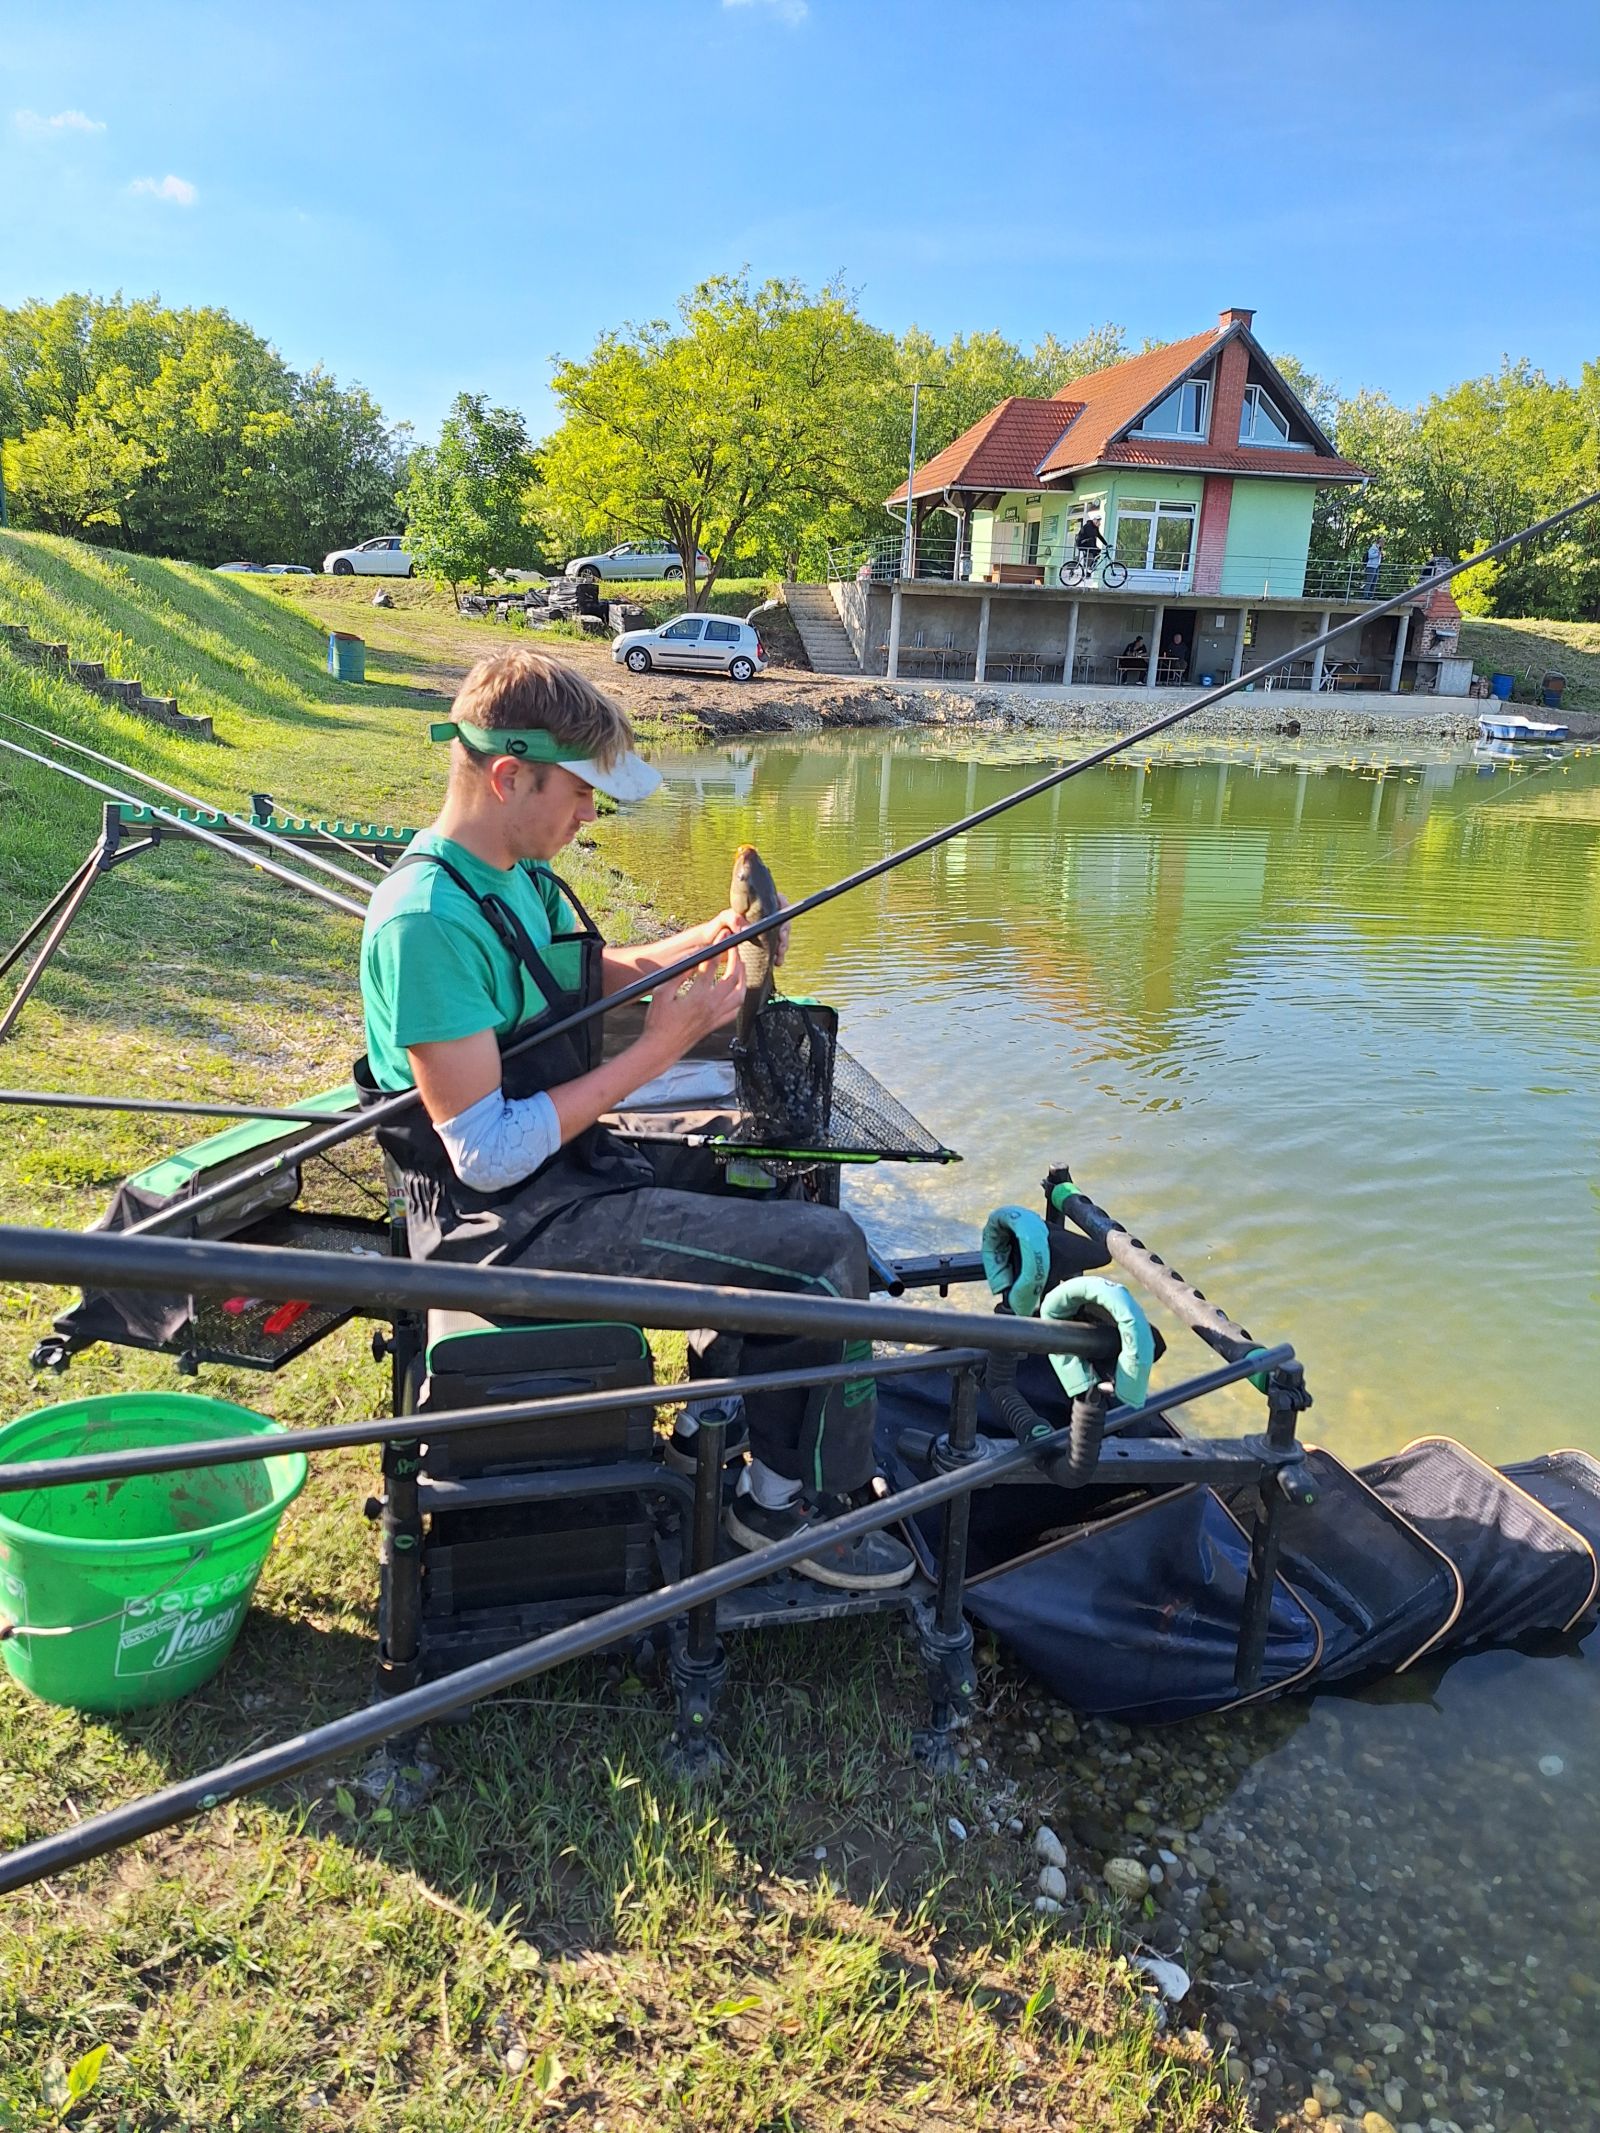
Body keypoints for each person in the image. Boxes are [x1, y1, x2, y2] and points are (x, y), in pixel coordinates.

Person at [356, 648, 913, 1592]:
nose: (589, 815)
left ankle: (716, 1421)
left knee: (761, 1177)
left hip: (557, 1175)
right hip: (505, 1228)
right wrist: (657, 1050)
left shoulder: (509, 874)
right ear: (508, 775)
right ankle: (782, 1508)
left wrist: (707, 939)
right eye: (579, 794)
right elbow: (484, 1152)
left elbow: (584, 978)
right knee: (824, 1250)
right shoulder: (427, 921)